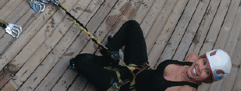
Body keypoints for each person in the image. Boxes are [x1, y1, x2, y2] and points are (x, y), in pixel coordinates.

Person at [69, 20, 232, 91]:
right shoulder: (191, 59)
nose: (200, 67)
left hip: (123, 87)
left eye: (207, 71)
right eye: (204, 61)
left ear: (208, 79)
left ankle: (110, 60)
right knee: (132, 27)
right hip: (139, 69)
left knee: (81, 61)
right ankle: (105, 57)